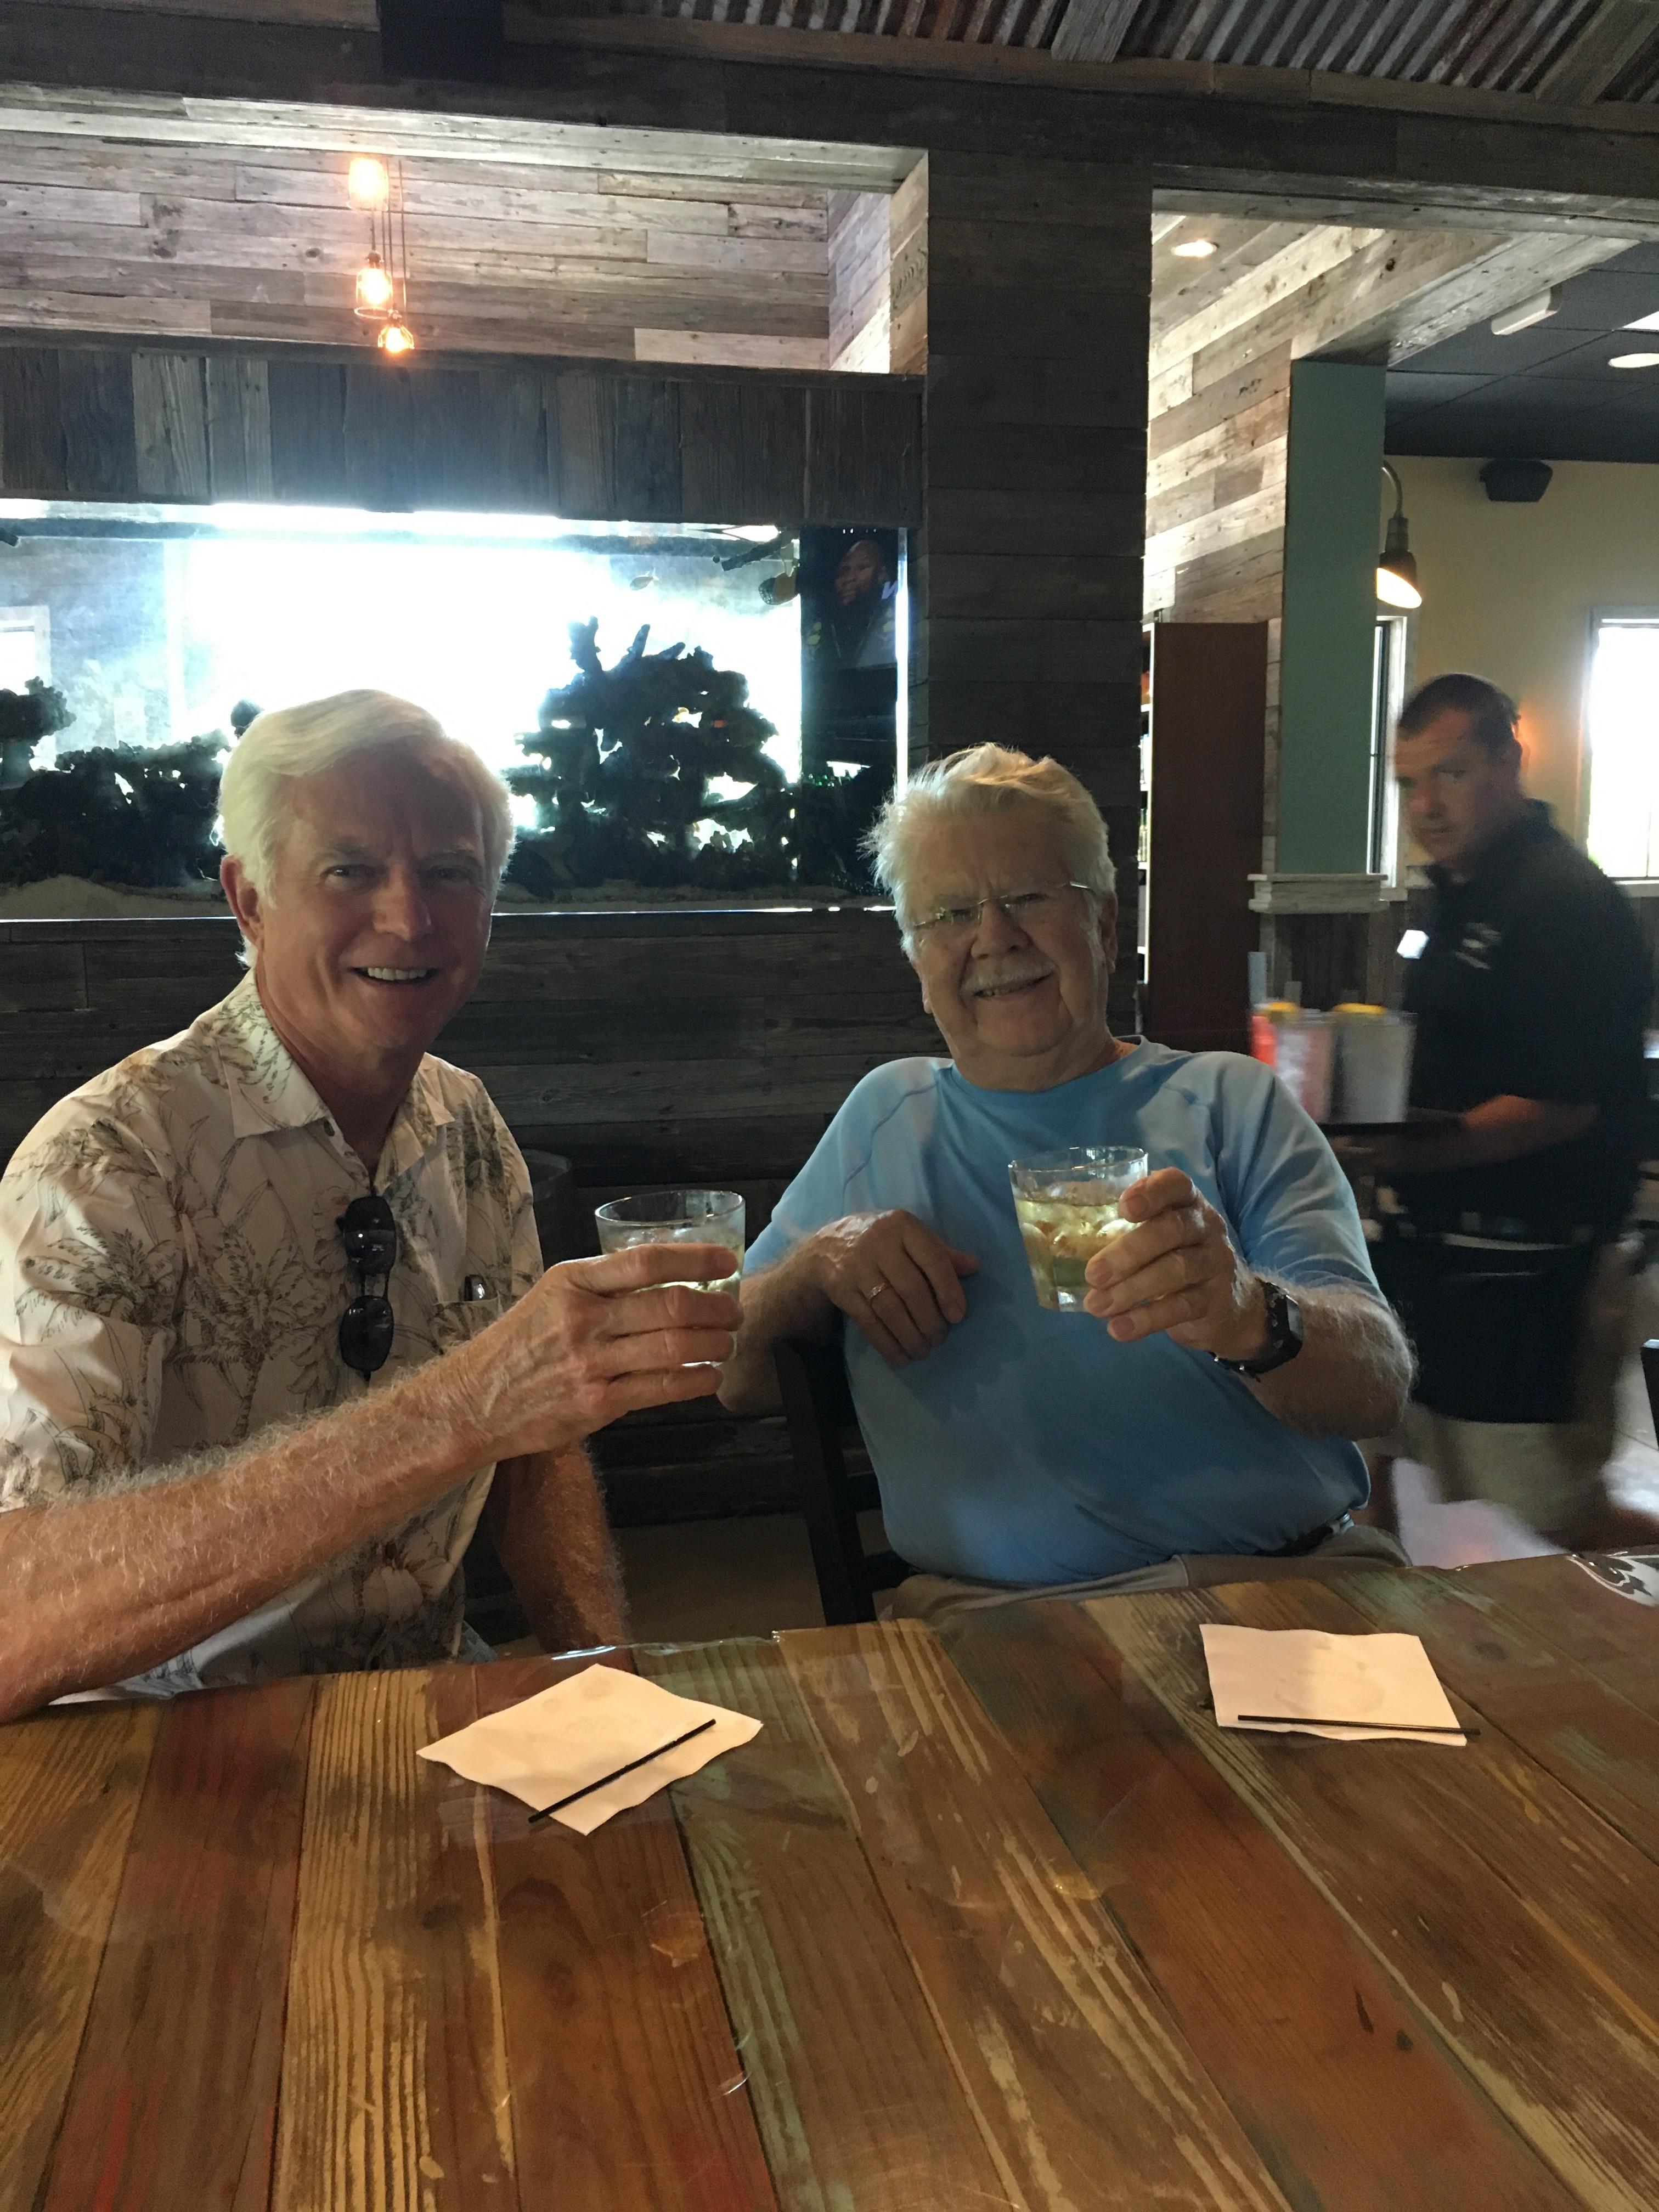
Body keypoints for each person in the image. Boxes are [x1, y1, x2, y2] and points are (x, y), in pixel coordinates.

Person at [0, 692, 738, 1721]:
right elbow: (14, 1620)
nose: (408, 918)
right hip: (161, 1751)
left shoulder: (467, 1123)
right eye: (350, 871)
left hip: (434, 1705)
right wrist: (458, 1409)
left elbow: (540, 1449)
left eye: (450, 873)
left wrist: (605, 1685)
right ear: (248, 899)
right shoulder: (107, 1161)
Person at [719, 744, 1412, 1618]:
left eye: (1031, 898)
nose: (994, 936)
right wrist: (816, 1262)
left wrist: (1247, 1313)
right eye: (950, 914)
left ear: (1107, 928)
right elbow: (732, 1373)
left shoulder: (1230, 1099)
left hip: (1280, 1589)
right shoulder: (886, 1118)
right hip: (1000, 1621)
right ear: (916, 957)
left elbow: (1379, 1383)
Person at [1347, 672, 1659, 1552]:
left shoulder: (1564, 905)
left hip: (1535, 1276)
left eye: (1450, 774)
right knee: (1390, 1483)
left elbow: (1562, 1106)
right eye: (1409, 783)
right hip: (1440, 1264)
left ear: (1509, 762)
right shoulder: (1458, 895)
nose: (1426, 805)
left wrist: (1395, 1158)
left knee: (1551, 1527)